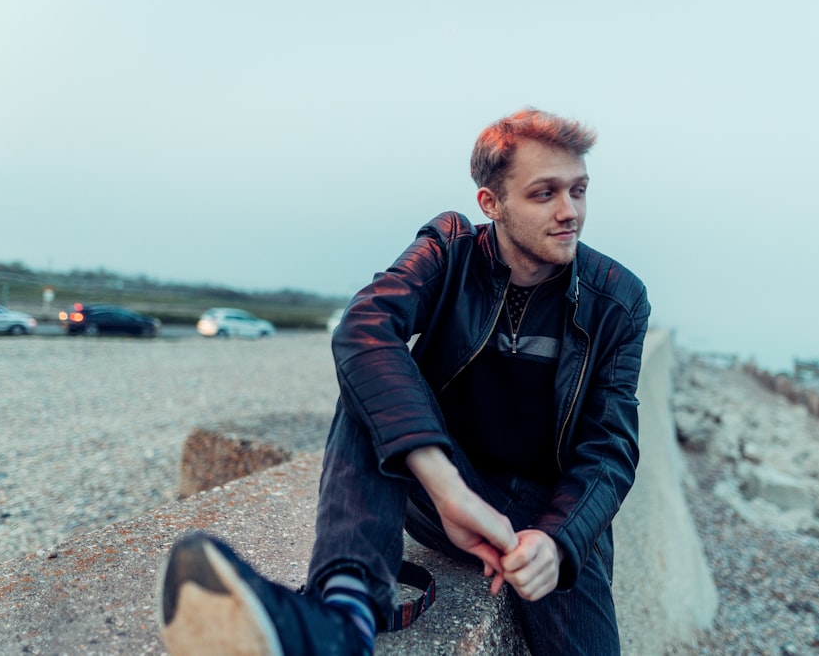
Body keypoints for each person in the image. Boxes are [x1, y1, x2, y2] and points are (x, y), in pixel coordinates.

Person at [158, 108, 650, 656]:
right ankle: (341, 622)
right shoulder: (449, 248)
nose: (570, 213)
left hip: (547, 518)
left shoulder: (619, 299)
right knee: (373, 369)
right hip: (442, 492)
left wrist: (559, 544)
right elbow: (363, 326)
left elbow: (610, 448)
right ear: (491, 203)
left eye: (578, 191)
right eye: (545, 194)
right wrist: (448, 488)